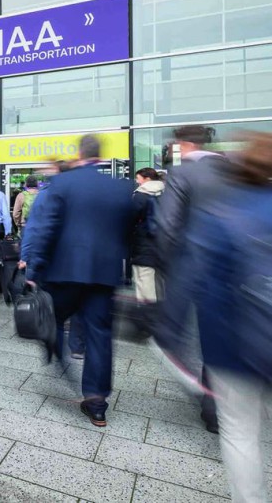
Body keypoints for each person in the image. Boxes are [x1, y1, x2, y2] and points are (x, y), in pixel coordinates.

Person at [170, 133, 272, 503]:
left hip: (238, 347)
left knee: (242, 434)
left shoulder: (224, 212)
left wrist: (174, 336)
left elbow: (197, 279)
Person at [22, 135, 135, 428]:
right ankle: (97, 403)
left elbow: (46, 231)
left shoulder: (61, 184)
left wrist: (33, 271)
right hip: (103, 273)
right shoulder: (120, 188)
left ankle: (57, 356)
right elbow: (128, 232)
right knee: (100, 334)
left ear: (79, 154)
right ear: (99, 157)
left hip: (64, 272)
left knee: (52, 319)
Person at [155, 125, 228, 434]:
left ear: (183, 144)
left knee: (174, 336)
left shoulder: (183, 174)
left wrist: (169, 267)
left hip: (193, 268)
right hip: (236, 272)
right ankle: (225, 400)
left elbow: (167, 226)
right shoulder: (238, 169)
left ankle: (209, 401)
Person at [129, 168, 164, 326]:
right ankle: (160, 312)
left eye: (139, 178)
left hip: (144, 244)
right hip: (164, 244)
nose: (137, 181)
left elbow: (130, 219)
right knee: (158, 281)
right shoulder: (168, 192)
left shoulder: (141, 195)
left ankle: (147, 317)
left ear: (147, 178)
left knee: (143, 280)